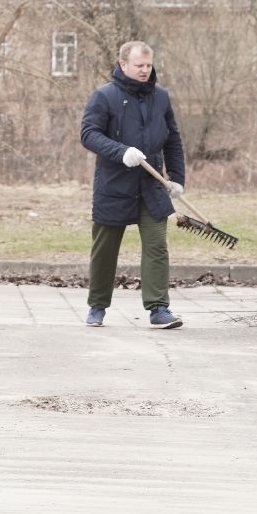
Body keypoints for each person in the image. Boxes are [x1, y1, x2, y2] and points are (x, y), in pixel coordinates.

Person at [79, 40, 187, 329]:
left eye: (148, 65)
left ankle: (158, 308)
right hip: (114, 186)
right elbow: (89, 134)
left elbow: (173, 139)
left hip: (151, 186)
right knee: (104, 249)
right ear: (123, 64)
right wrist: (121, 151)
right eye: (139, 65)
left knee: (156, 246)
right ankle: (97, 306)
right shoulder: (104, 96)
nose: (144, 70)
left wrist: (176, 178)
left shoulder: (161, 97)